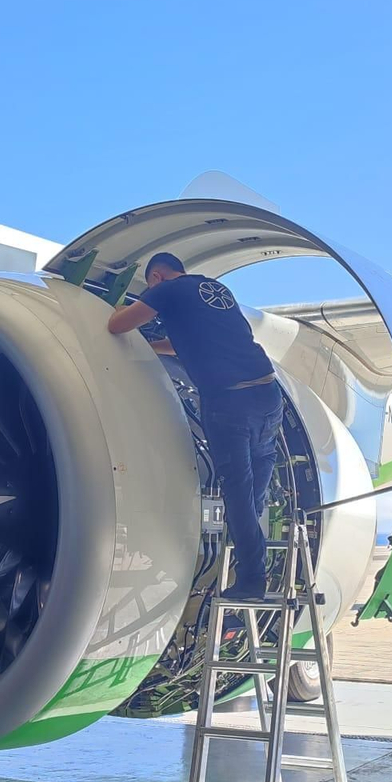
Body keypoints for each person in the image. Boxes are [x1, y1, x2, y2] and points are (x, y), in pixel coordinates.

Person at [107, 251, 283, 599]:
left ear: (155, 276)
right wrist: (153, 347)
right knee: (253, 495)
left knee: (237, 493)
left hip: (230, 403)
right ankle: (254, 563)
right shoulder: (216, 291)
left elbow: (117, 325)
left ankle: (251, 579)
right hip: (268, 396)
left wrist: (114, 313)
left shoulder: (165, 291)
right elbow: (184, 344)